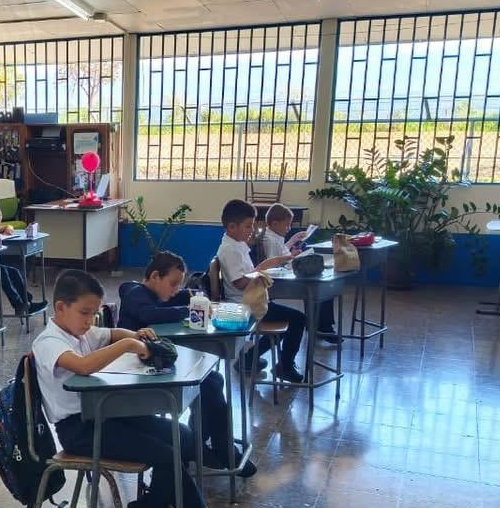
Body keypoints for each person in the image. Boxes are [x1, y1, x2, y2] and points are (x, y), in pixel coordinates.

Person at [31, 268, 263, 508]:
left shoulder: (82, 331)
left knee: (184, 437)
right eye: (84, 313)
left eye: (93, 314)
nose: (90, 321)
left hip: (107, 416)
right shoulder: (49, 341)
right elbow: (83, 366)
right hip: (80, 430)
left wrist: (135, 335)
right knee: (166, 455)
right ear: (60, 308)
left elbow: (112, 333)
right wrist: (128, 346)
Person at [117, 251, 256, 477]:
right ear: (154, 277)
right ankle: (213, 446)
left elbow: (176, 298)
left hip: (155, 359)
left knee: (213, 378)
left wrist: (193, 296)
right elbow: (150, 314)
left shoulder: (154, 293)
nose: (174, 290)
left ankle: (205, 441)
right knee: (209, 382)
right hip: (137, 368)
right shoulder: (135, 294)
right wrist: (192, 310)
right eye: (172, 284)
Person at [216, 199, 306, 383]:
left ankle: (250, 358)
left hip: (251, 299)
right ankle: (285, 367)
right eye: (248, 226)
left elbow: (246, 275)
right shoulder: (229, 249)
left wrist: (260, 270)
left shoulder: (237, 244)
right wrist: (263, 267)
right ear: (232, 227)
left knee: (287, 319)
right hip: (244, 306)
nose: (252, 230)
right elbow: (241, 283)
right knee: (298, 319)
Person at [257, 203, 338, 344]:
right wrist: (291, 256)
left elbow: (281, 252)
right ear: (275, 224)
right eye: (287, 225)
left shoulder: (273, 236)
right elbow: (274, 262)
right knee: (320, 289)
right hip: (278, 281)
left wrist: (292, 241)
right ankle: (323, 328)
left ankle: (321, 326)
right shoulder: (270, 240)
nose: (288, 228)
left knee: (322, 288)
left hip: (284, 273)